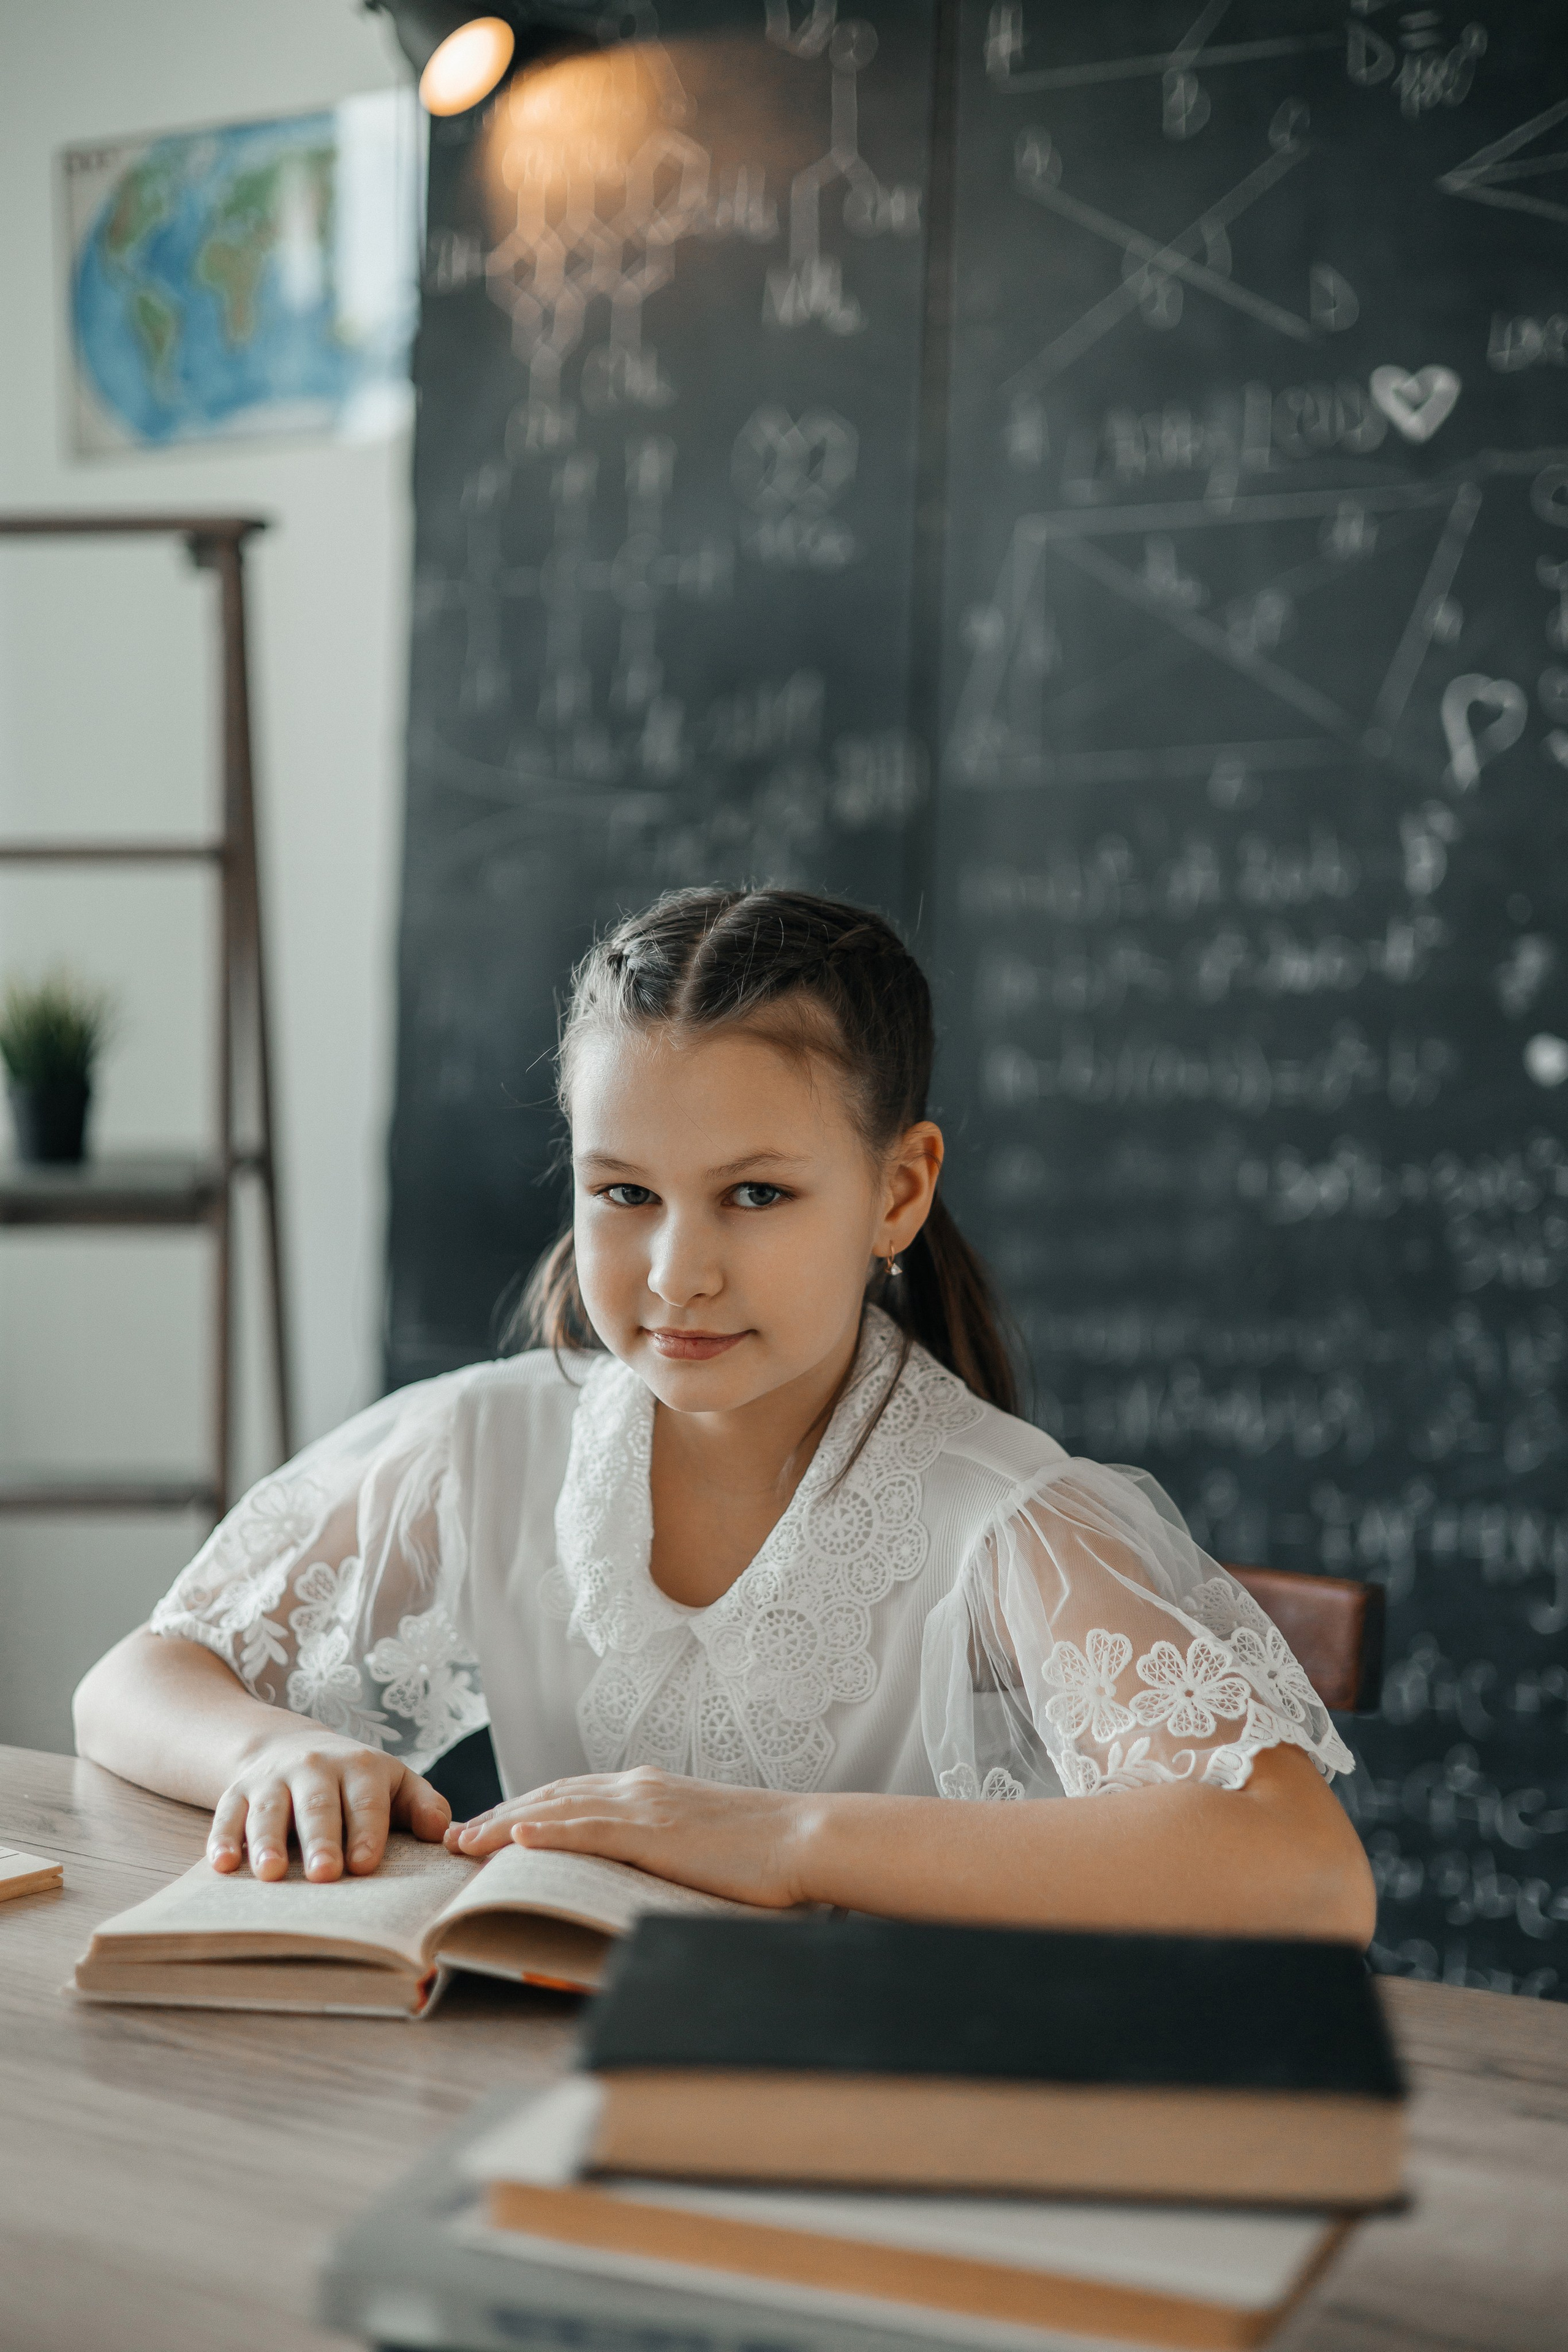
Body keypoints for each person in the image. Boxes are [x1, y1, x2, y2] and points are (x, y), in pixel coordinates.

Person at [74, 888, 1374, 1943]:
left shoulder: (1009, 1522)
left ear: (897, 1192)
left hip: (894, 2122)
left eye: (754, 1196)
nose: (673, 1274)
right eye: (623, 1192)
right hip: (551, 2088)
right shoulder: (478, 1445)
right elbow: (137, 1680)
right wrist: (274, 1752)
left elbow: (1301, 1870)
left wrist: (779, 1839)